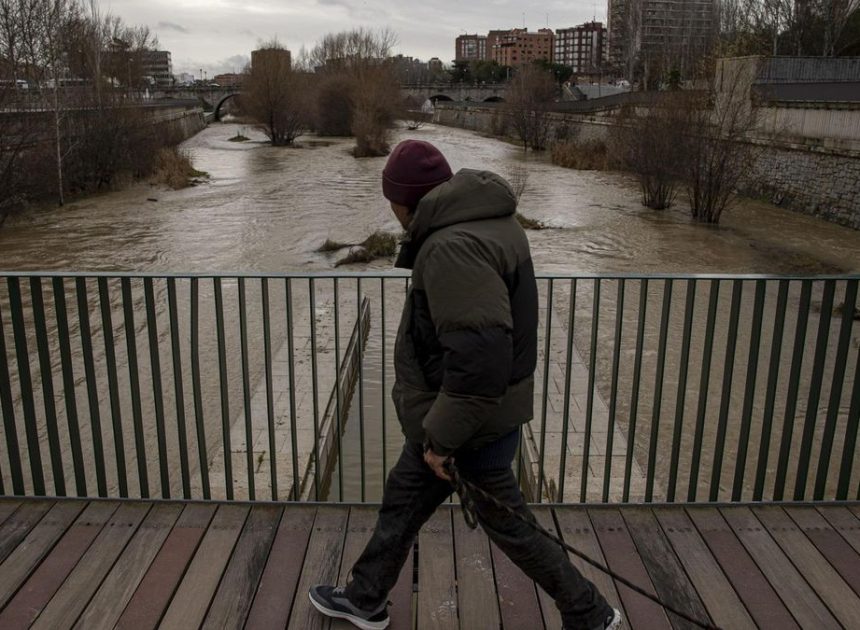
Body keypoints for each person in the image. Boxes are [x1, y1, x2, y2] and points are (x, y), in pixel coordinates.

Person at [309, 140, 621, 630]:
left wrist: (441, 440)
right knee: (402, 505)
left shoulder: (450, 247)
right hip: (455, 419)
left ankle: (589, 613)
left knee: (512, 529)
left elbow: (480, 360)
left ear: (404, 200)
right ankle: (365, 597)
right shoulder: (488, 223)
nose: (389, 209)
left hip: (465, 429)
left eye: (390, 198)